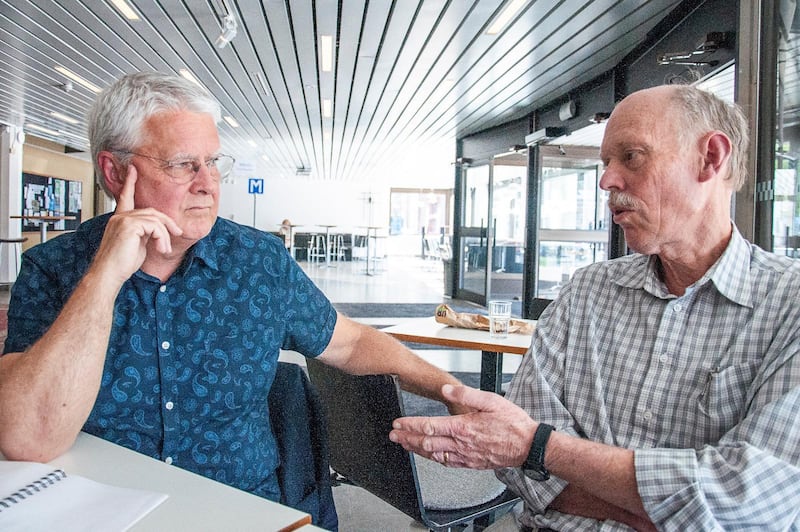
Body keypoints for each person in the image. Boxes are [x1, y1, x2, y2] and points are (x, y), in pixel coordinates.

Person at [0, 72, 464, 508]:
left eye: (213, 163)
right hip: (104, 508)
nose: (207, 184)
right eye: (183, 165)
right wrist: (103, 278)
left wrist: (453, 394)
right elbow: (29, 439)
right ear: (116, 173)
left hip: (243, 507)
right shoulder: (55, 268)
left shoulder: (258, 262)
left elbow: (352, 342)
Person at [390, 84, 800, 530]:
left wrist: (542, 448)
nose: (606, 180)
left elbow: (752, 502)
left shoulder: (787, 305)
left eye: (632, 156)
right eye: (606, 162)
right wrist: (664, 512)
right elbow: (512, 465)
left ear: (711, 158)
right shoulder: (586, 292)